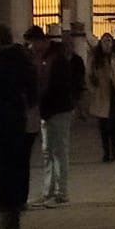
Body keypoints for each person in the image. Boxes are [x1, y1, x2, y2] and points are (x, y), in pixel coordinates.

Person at [0, 24, 39, 229]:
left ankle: (8, 205)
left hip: (2, 121)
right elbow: (32, 88)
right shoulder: (21, 58)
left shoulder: (4, 60)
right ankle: (12, 212)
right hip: (17, 121)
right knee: (10, 166)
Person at [39, 34, 79, 205]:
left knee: (59, 151)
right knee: (49, 151)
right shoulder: (46, 59)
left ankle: (61, 192)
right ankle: (49, 191)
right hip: (49, 110)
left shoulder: (56, 60)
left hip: (58, 109)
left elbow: (56, 87)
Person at [87, 33, 115, 160]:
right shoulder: (95, 60)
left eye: (109, 41)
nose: (107, 44)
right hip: (102, 97)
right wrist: (93, 90)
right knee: (104, 126)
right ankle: (106, 152)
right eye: (105, 41)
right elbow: (89, 76)